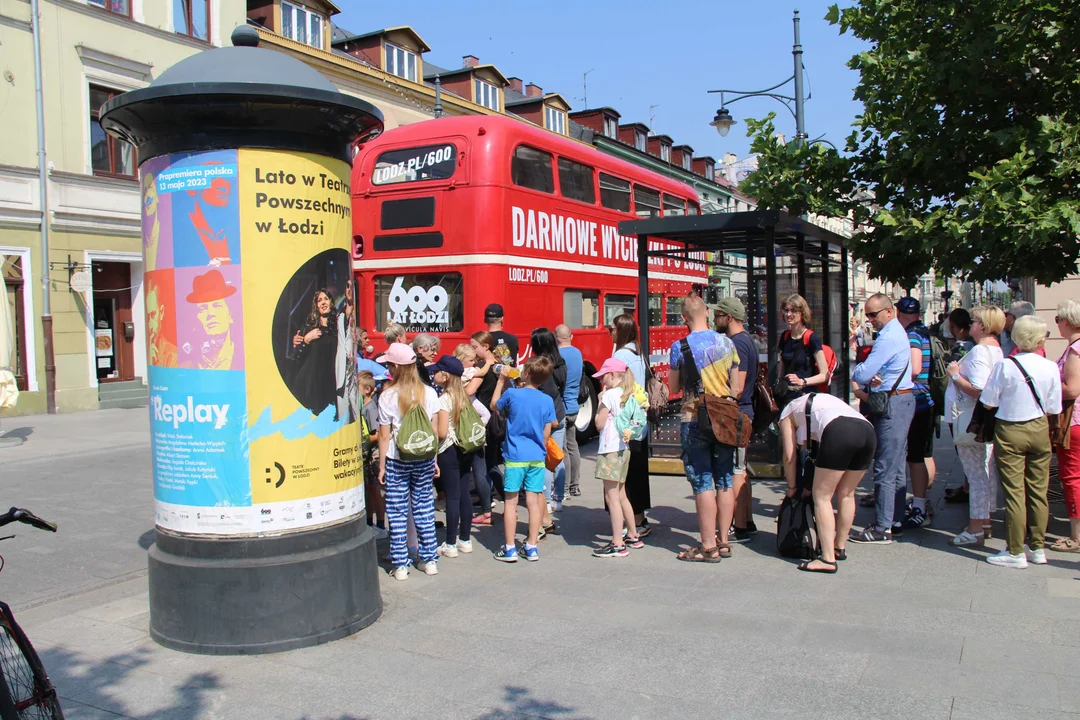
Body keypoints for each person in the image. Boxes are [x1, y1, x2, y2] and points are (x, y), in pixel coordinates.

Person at [980, 315, 1062, 568]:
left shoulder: (1006, 366)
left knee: (1014, 493)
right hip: (1038, 427)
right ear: (1039, 338)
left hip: (1010, 428)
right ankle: (1037, 547)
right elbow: (1053, 406)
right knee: (1039, 492)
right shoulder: (1049, 366)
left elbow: (988, 401)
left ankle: (1015, 550)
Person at [668, 295, 739, 562]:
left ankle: (707, 546)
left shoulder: (680, 347)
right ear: (707, 313)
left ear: (684, 318)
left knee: (702, 481)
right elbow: (735, 386)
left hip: (694, 418)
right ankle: (723, 541)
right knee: (725, 479)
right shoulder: (726, 342)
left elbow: (674, 388)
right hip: (723, 419)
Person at [779, 392, 877, 573]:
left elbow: (789, 455)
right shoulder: (821, 400)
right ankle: (839, 547)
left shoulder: (788, 411)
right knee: (847, 494)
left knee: (822, 496)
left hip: (840, 431)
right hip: (867, 431)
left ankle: (827, 558)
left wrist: (792, 487)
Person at [849, 293, 916, 544]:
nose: (869, 320)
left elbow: (864, 372)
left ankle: (882, 527)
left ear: (889, 311)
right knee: (896, 465)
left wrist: (861, 373)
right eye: (867, 315)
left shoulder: (888, 336)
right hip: (899, 399)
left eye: (873, 314)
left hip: (893, 403)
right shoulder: (895, 332)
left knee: (885, 465)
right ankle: (894, 520)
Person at [376, 343, 444, 581]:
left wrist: (382, 465)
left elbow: (385, 435)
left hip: (397, 458)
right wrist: (434, 459)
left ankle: (401, 564)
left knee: (396, 511)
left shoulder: (387, 396)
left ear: (395, 367)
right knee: (424, 508)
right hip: (424, 456)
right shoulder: (430, 392)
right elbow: (434, 431)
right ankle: (429, 560)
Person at [945, 306, 1005, 545]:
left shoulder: (980, 351)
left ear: (983, 325)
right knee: (985, 472)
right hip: (984, 421)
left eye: (975, 321)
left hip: (971, 421)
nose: (971, 324)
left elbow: (980, 389)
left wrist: (955, 375)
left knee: (976, 474)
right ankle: (985, 521)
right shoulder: (996, 350)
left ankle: (976, 528)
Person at [490, 356, 557, 563]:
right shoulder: (546, 400)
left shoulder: (512, 394)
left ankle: (510, 548)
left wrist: (501, 381)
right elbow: (549, 427)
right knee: (534, 501)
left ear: (525, 373)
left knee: (510, 501)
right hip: (537, 456)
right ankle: (532, 546)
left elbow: (494, 405)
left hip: (515, 456)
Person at [432, 355, 489, 559]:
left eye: (438, 371)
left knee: (453, 496)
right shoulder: (464, 396)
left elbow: (442, 433)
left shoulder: (444, 400)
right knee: (464, 493)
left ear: (445, 375)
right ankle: (465, 540)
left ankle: (449, 543)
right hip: (466, 450)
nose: (435, 374)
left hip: (449, 451)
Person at [591, 358, 645, 558]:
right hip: (624, 448)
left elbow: (599, 423)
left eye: (603, 376)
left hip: (610, 449)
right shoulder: (628, 393)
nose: (601, 380)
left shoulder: (610, 396)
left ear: (613, 375)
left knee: (611, 497)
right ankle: (633, 534)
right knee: (622, 494)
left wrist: (599, 403)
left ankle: (617, 542)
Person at [714, 297, 759, 542]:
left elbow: (738, 386)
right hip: (744, 413)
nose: (714, 319)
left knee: (736, 471)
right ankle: (747, 521)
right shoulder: (746, 339)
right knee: (742, 470)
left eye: (718, 315)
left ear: (729, 317)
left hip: (738, 414)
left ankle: (738, 527)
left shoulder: (737, 343)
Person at [895, 297, 936, 531]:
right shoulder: (923, 330)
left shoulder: (911, 335)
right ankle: (921, 502)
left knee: (915, 457)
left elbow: (916, 367)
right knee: (921, 455)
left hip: (917, 401)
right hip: (926, 400)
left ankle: (919, 507)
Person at [611, 313, 652, 535]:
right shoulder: (638, 353)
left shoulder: (620, 355)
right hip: (639, 422)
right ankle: (640, 518)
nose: (610, 333)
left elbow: (616, 387)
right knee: (637, 471)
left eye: (613, 329)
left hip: (625, 422)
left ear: (622, 331)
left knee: (625, 474)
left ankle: (633, 522)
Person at [1052, 300, 1080, 552]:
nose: (1057, 324)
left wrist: (1047, 383)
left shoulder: (1075, 350)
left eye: (1058, 319)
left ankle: (1076, 537)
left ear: (1068, 321)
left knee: (1072, 477)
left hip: (1075, 421)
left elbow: (1072, 388)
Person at [531, 328, 567, 523]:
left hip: (544, 417)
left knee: (543, 460)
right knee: (557, 455)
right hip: (559, 412)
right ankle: (558, 498)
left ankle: (544, 501)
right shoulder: (560, 361)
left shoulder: (540, 365)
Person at [455, 343, 493, 525]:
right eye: (471, 360)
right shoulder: (469, 372)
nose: (473, 363)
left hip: (458, 421)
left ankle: (464, 510)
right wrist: (487, 362)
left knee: (462, 474)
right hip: (472, 413)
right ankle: (486, 510)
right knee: (479, 471)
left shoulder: (450, 373)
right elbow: (479, 377)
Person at [291, 288, 338, 416]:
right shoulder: (309, 326)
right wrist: (306, 340)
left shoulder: (338, 328)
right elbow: (297, 357)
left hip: (330, 383)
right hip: (310, 383)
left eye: (326, 299)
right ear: (316, 306)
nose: (323, 303)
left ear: (331, 303)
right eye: (319, 300)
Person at [776, 293, 831, 403]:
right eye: (786, 310)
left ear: (802, 313)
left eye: (793, 310)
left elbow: (825, 375)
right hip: (786, 396)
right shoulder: (785, 336)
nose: (788, 314)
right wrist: (779, 382)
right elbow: (782, 365)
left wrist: (802, 381)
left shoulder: (811, 338)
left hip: (804, 397)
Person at [471, 331, 505, 504]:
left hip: (482, 420)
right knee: (491, 463)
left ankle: (486, 505)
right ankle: (508, 497)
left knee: (481, 465)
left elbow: (470, 391)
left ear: (485, 346)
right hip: (496, 419)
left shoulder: (483, 368)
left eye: (474, 347)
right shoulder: (499, 364)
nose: (472, 350)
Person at [184, 269, 238, 370]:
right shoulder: (187, 363)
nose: (210, 314)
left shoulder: (243, 355)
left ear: (230, 315)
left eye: (217, 305)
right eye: (203, 309)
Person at [556, 324, 583, 499]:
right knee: (573, 446)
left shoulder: (557, 356)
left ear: (556, 337)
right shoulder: (578, 353)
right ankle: (575, 486)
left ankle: (564, 488)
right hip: (574, 407)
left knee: (563, 448)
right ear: (571, 336)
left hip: (562, 407)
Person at [359, 370, 387, 539]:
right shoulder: (364, 407)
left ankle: (381, 524)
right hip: (368, 456)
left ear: (368, 389)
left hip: (373, 455)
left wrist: (361, 438)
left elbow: (376, 434)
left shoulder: (370, 409)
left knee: (375, 491)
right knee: (369, 490)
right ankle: (370, 522)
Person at [335, 282, 359, 424]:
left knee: (354, 405)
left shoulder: (352, 317)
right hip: (342, 369)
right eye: (347, 286)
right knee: (343, 404)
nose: (350, 290)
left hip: (351, 368)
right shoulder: (340, 316)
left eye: (352, 286)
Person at [146, 277, 179, 368]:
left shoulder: (173, 355)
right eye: (146, 317)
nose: (150, 325)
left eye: (153, 315)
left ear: (161, 312)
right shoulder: (145, 350)